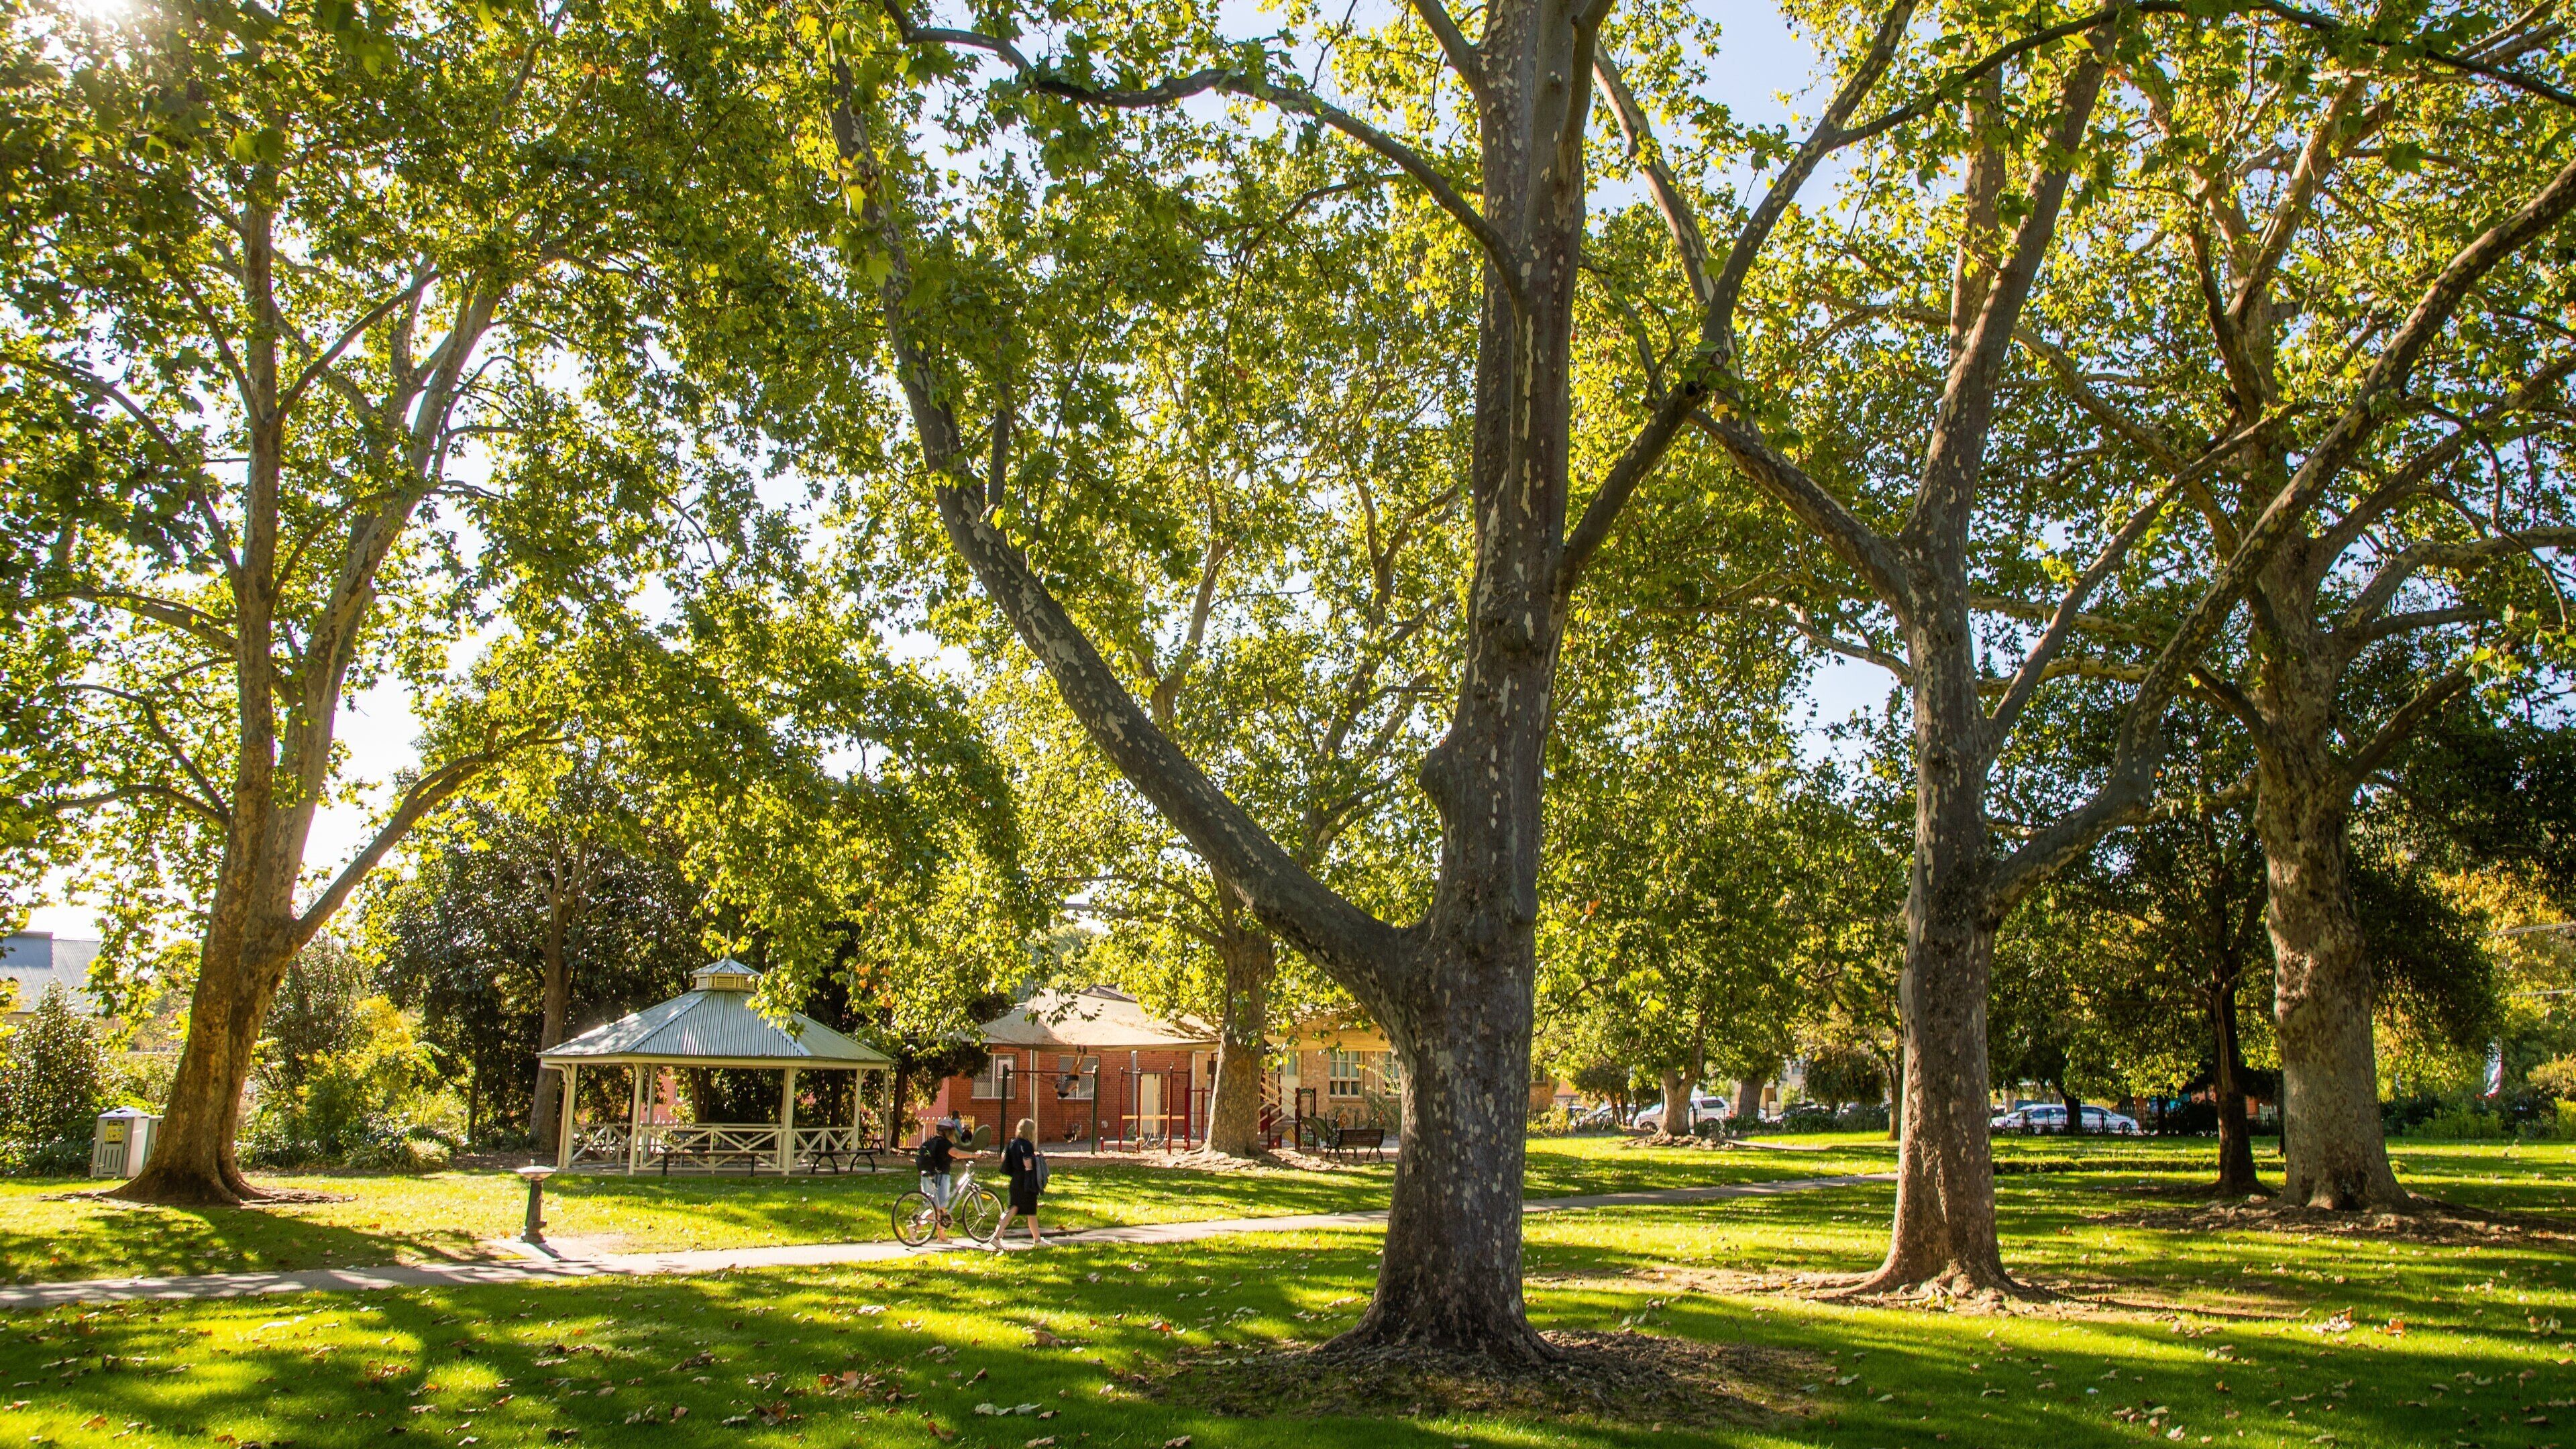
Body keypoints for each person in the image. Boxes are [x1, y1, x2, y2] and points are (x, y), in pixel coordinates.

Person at [913, 1118, 981, 1243]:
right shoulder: (945, 1144)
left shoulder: (933, 1141)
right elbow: (957, 1154)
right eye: (952, 1132)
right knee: (940, 1208)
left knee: (940, 1209)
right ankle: (916, 1226)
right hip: (940, 1177)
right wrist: (974, 1155)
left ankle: (942, 1237)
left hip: (928, 1176)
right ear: (948, 1132)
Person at [996, 1117, 1048, 1250]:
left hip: (1015, 1179)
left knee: (1014, 1207)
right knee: (1030, 1210)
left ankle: (998, 1236)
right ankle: (1037, 1240)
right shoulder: (1026, 1145)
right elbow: (1028, 1163)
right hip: (1026, 1180)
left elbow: (1004, 1158)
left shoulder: (1013, 1143)